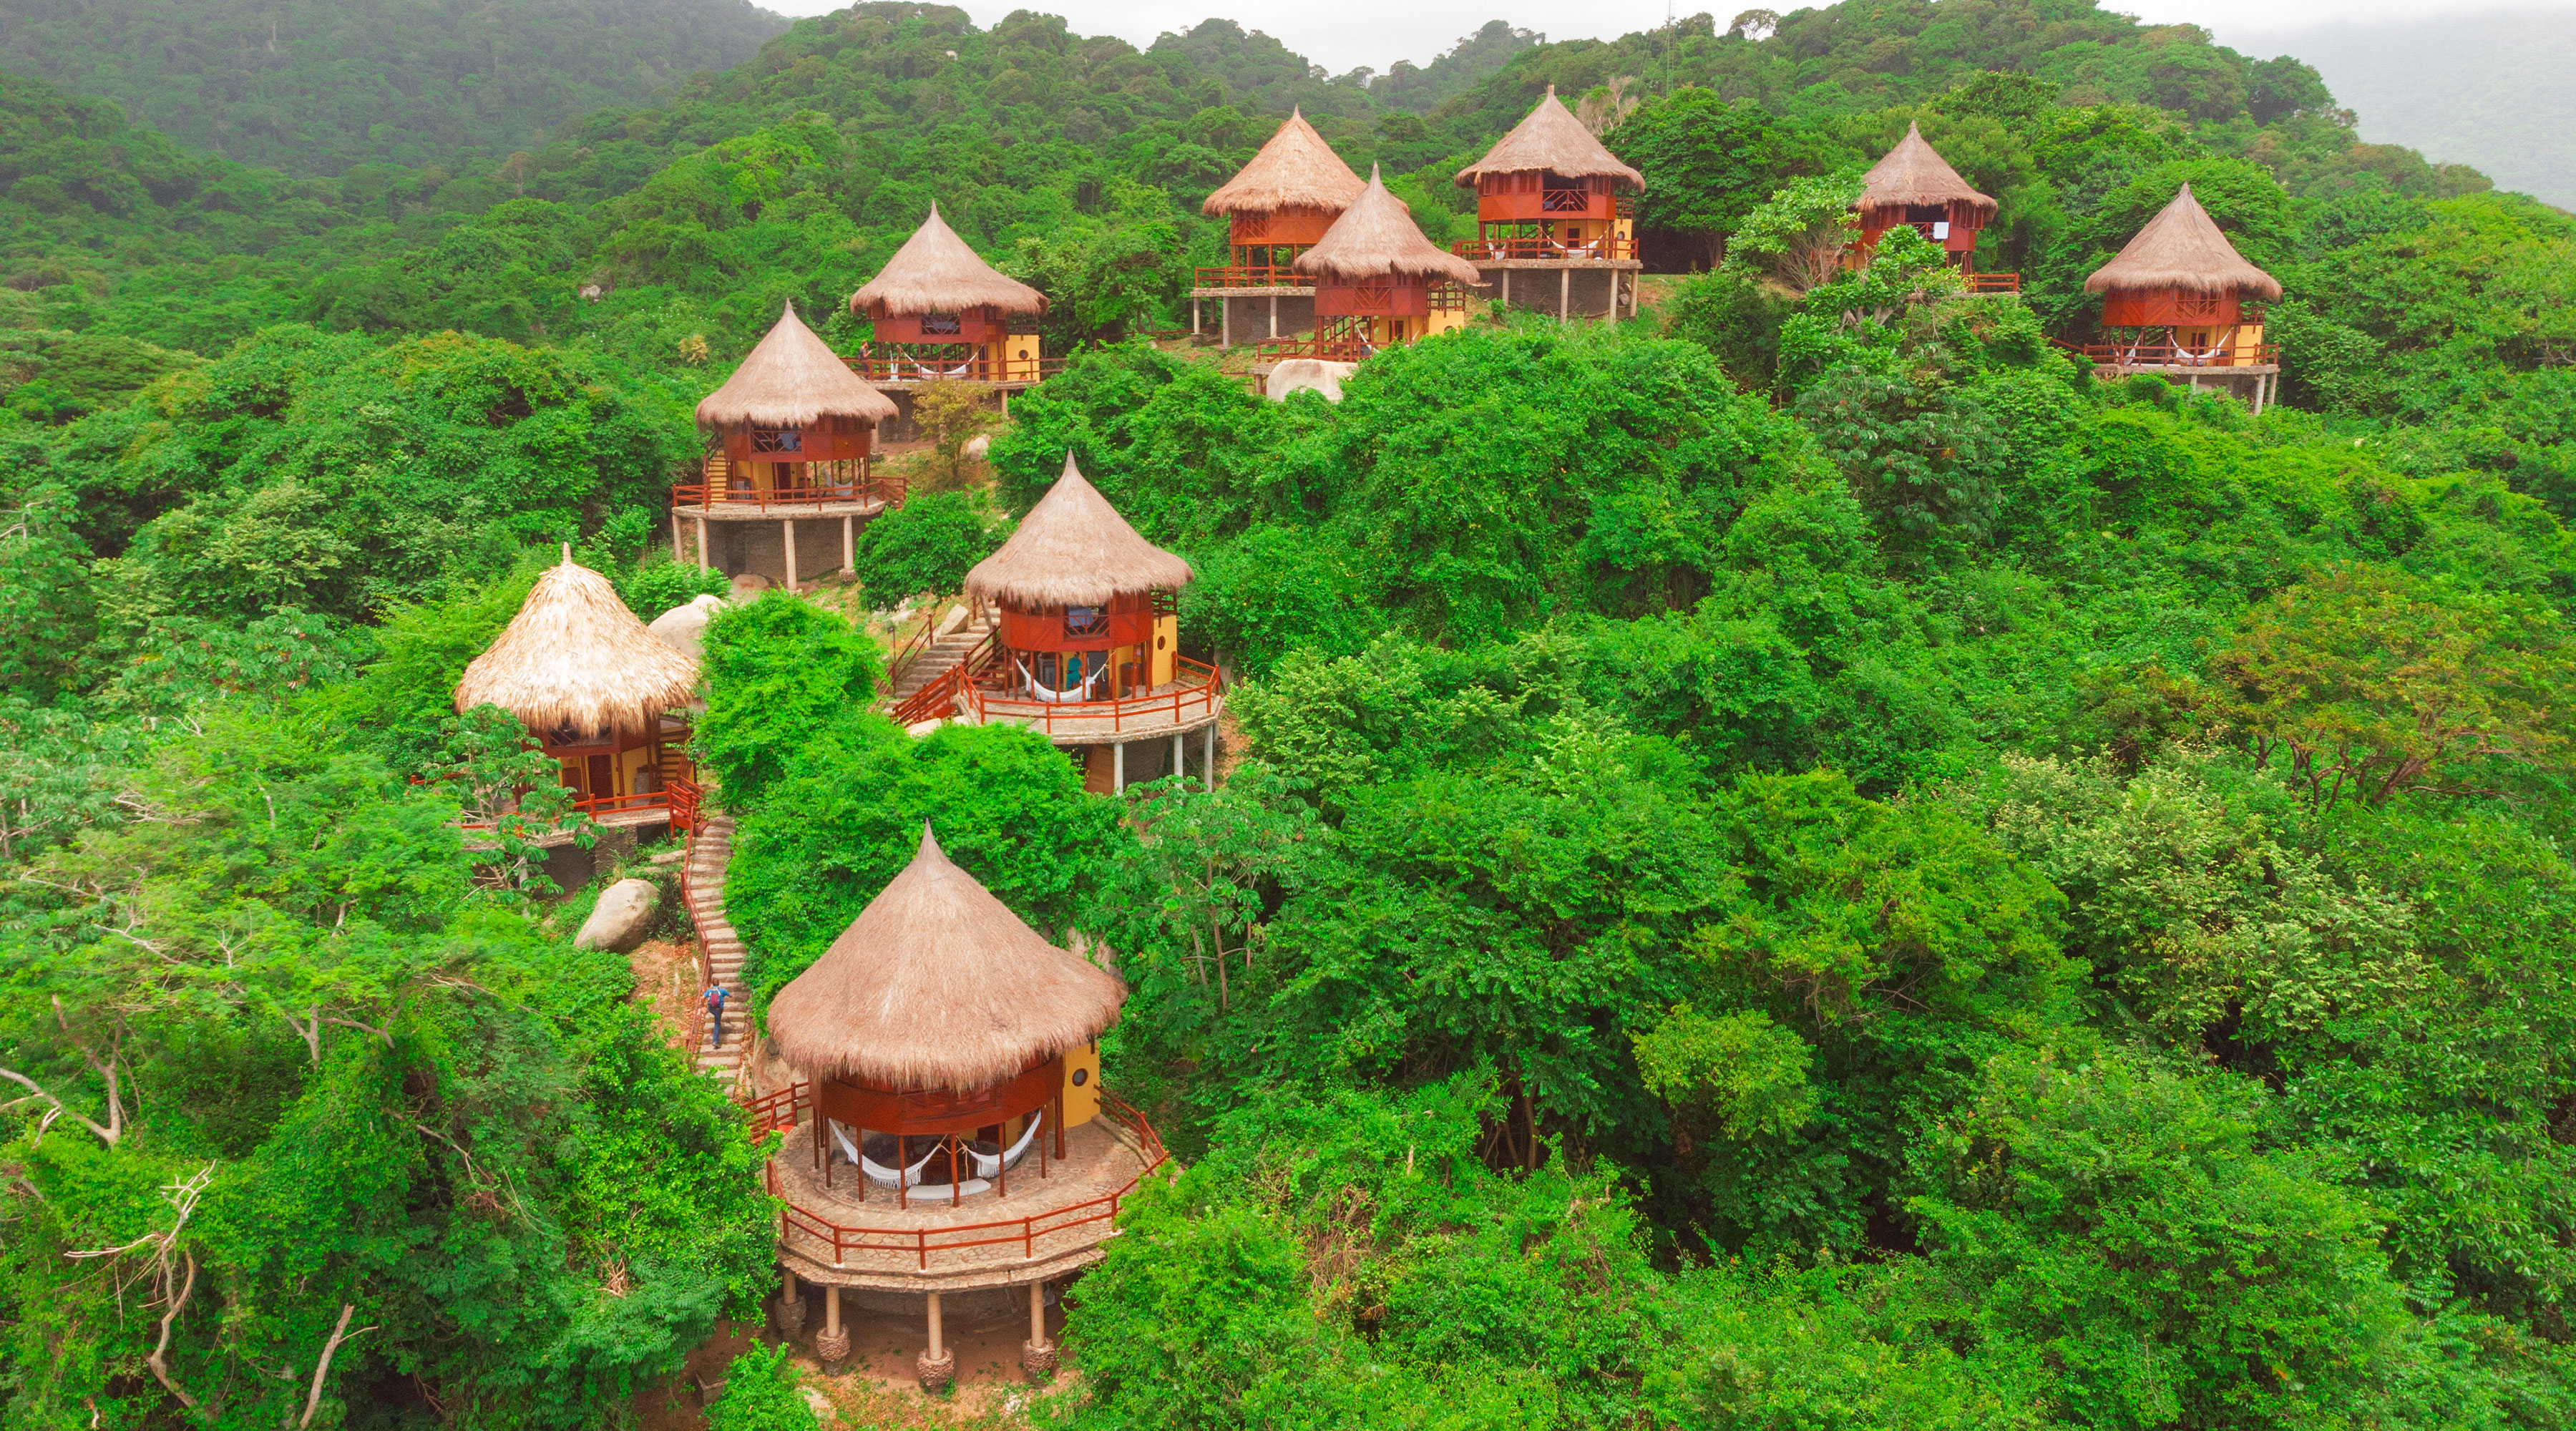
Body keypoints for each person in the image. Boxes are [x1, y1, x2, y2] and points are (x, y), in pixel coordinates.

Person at [703, 982, 728, 1047]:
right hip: (718, 1009)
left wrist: (702, 1005)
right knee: (717, 1024)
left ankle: (716, 1040)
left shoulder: (709, 991)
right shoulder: (722, 991)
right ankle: (715, 1041)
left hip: (711, 1008)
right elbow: (730, 995)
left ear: (713, 984)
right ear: (719, 983)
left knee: (717, 1017)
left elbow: (702, 998)